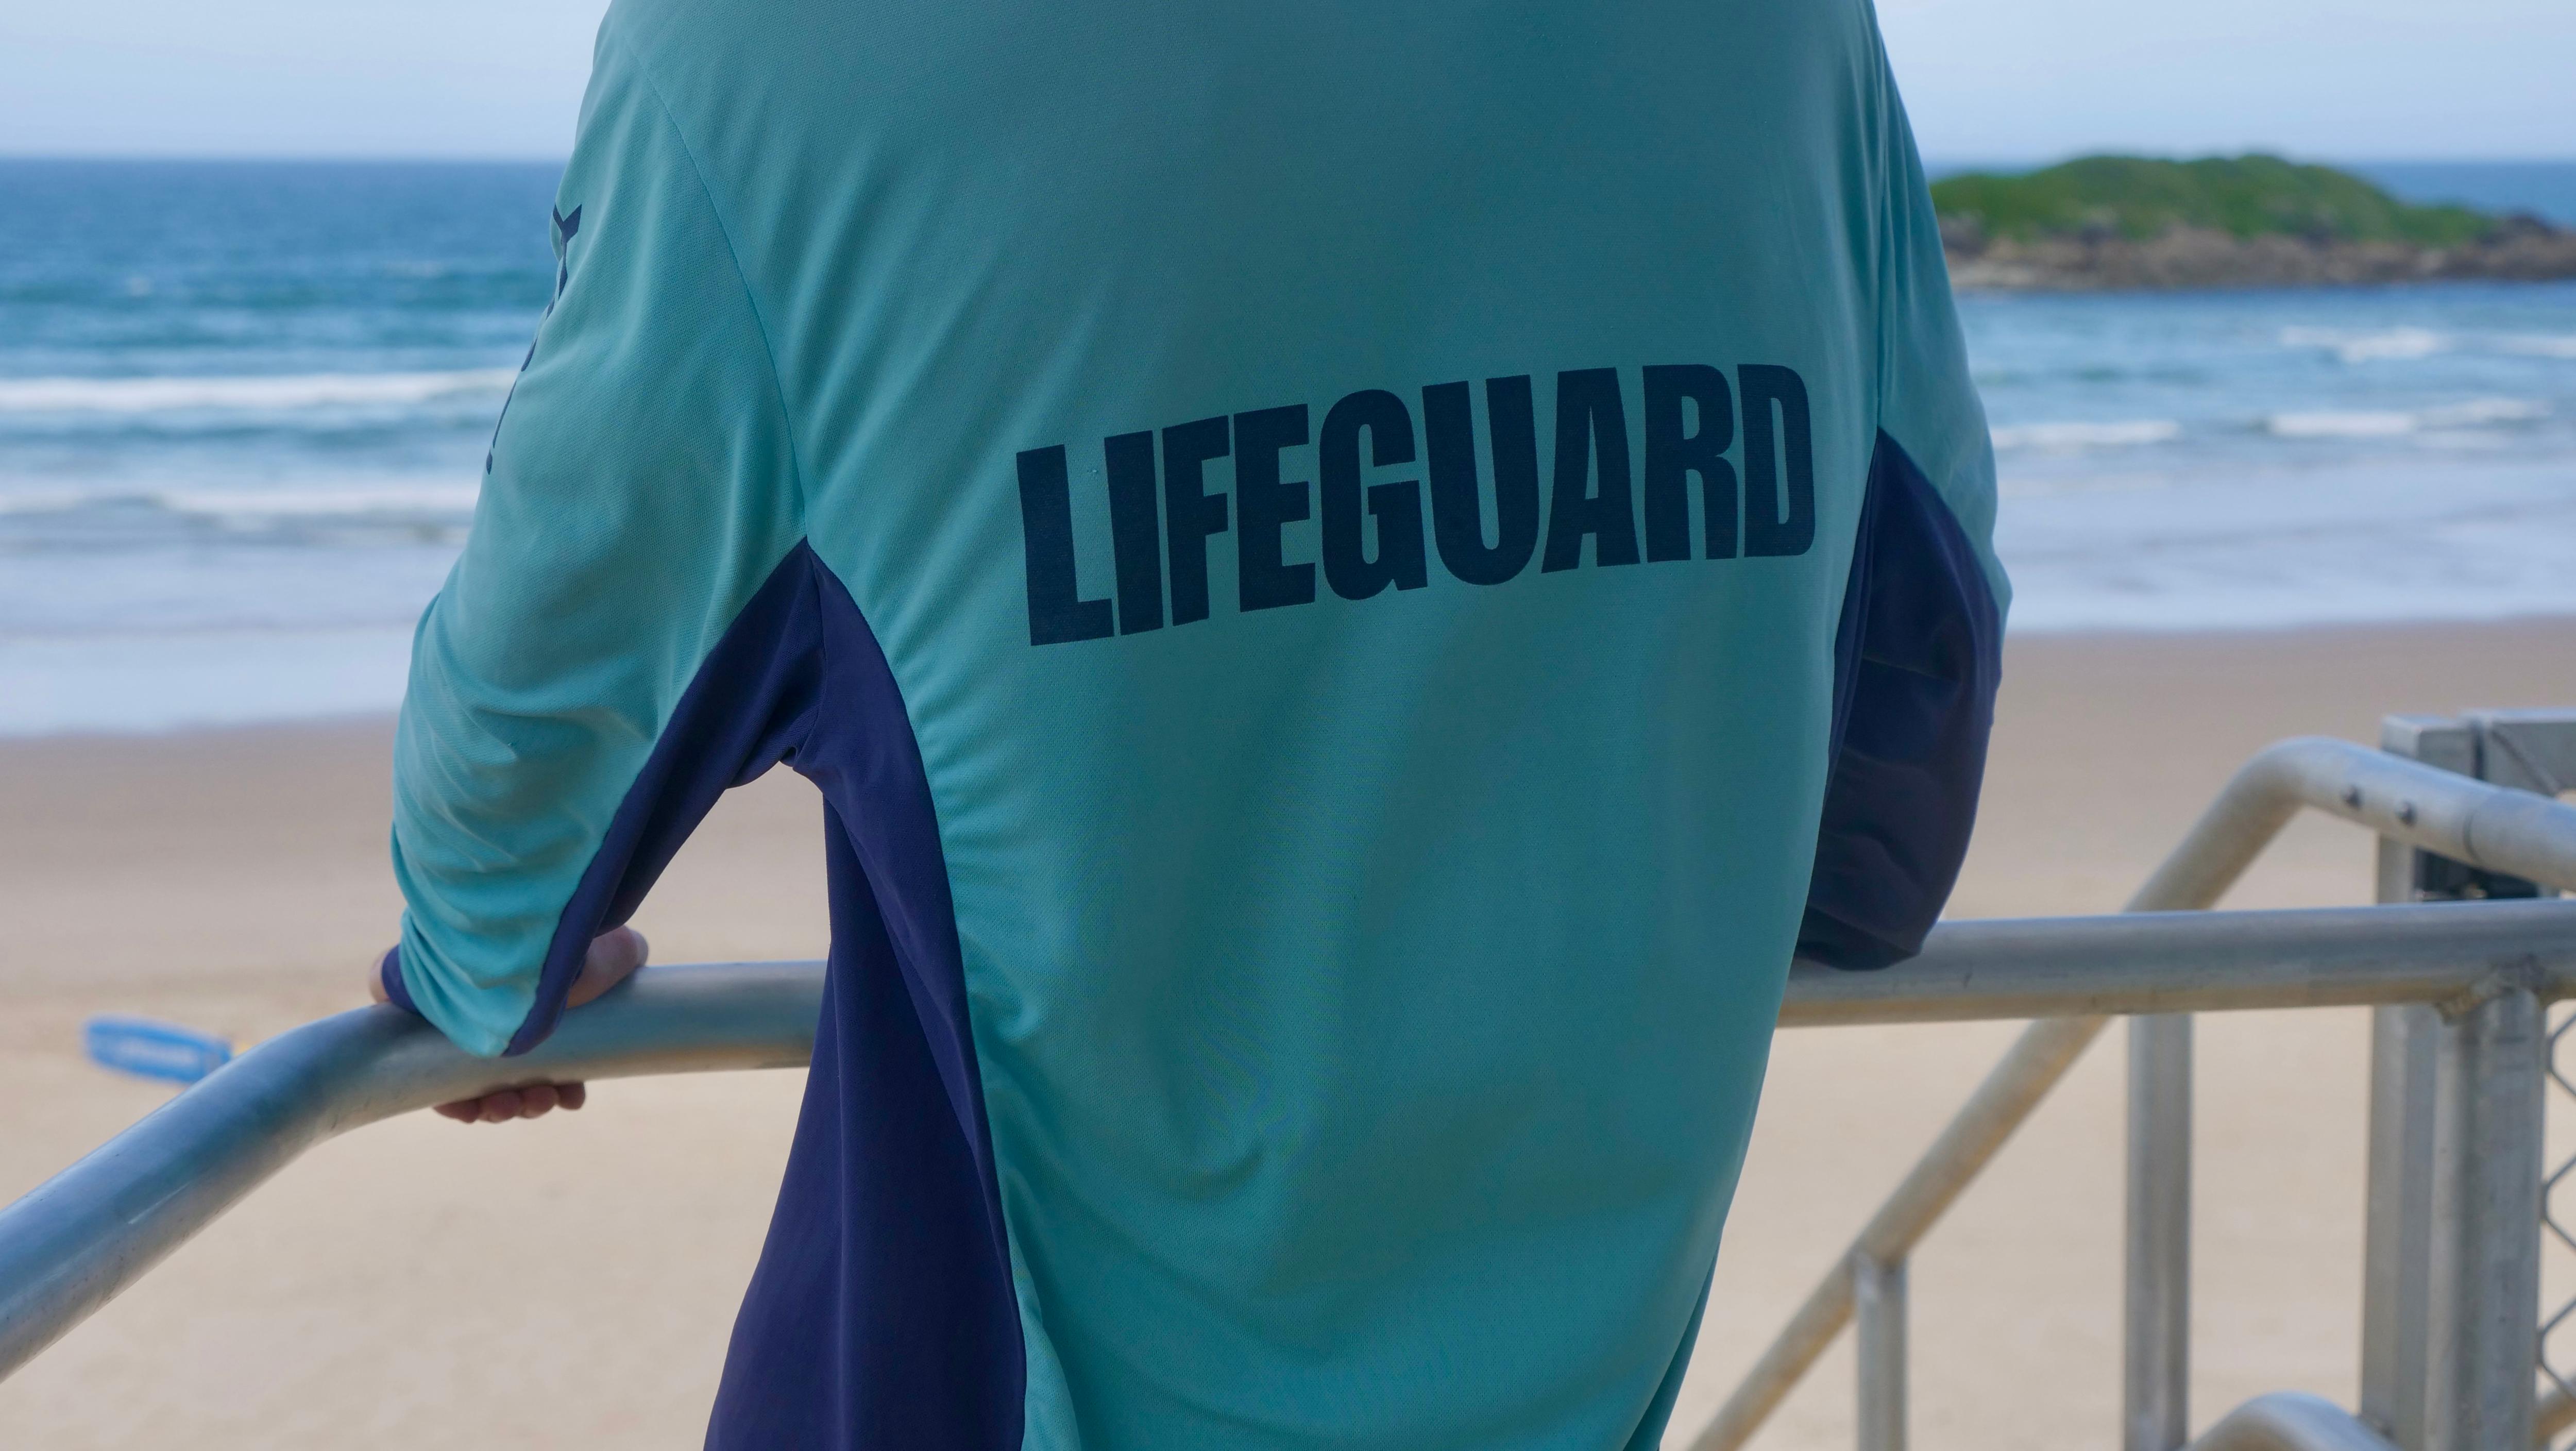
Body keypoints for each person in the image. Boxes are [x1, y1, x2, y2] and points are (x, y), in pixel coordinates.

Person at [369, 0, 2006, 1445]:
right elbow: (1884, 827)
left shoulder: (762, 44)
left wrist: (480, 959)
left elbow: (509, 848)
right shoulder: (1792, 37)